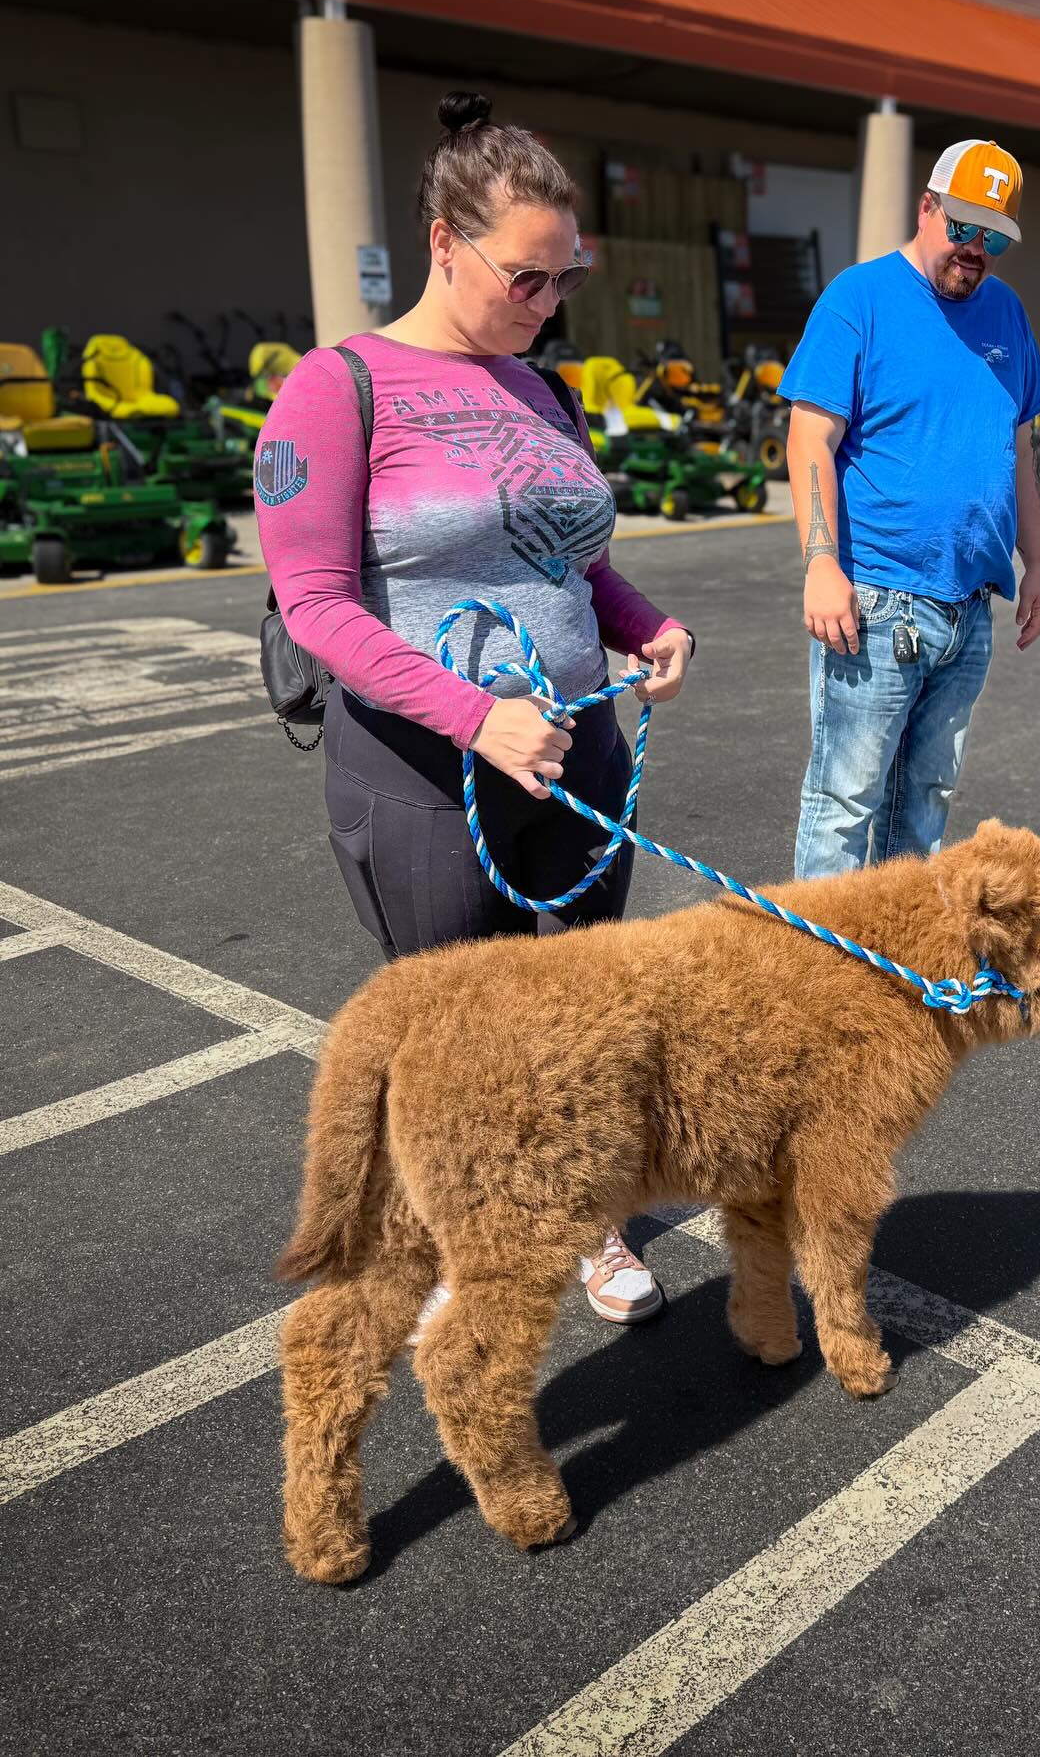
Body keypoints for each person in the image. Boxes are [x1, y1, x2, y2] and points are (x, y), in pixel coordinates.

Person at [256, 91, 693, 1326]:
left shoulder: (539, 391)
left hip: (576, 751)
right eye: (522, 278)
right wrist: (475, 714)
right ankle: (472, 1232)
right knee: (462, 1034)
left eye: (562, 284)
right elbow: (317, 607)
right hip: (427, 772)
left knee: (577, 1009)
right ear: (444, 242)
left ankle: (589, 1209)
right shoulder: (337, 389)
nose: (543, 306)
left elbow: (574, 559)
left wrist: (647, 623)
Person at [781, 137, 1040, 878]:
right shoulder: (860, 300)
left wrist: (1038, 561)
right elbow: (809, 437)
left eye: (993, 237)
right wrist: (821, 561)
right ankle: (820, 970)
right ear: (926, 207)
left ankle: (895, 967)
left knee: (925, 803)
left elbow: (1019, 445)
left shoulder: (1006, 313)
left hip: (969, 611)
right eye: (963, 228)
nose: (976, 250)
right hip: (873, 602)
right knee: (845, 801)